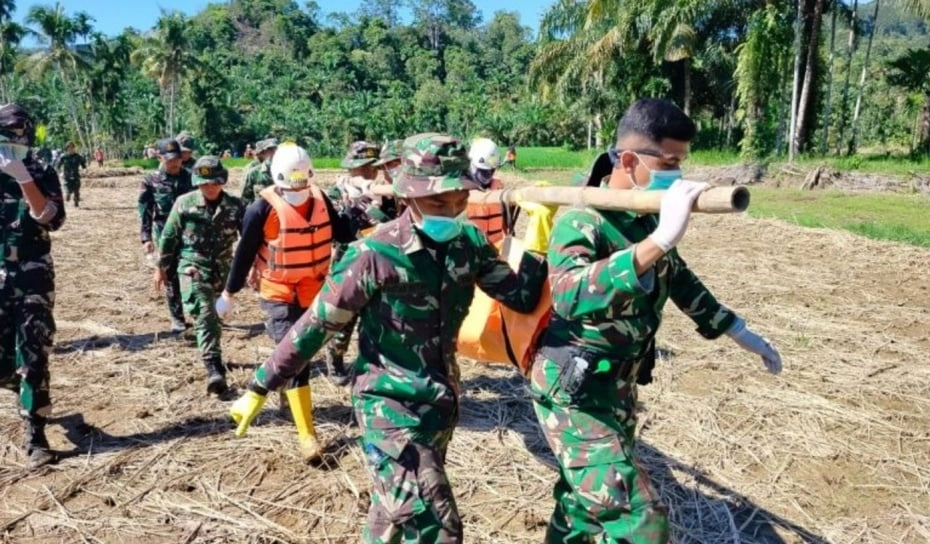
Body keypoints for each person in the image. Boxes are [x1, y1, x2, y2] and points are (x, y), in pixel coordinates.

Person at [229, 133, 552, 542]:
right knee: (436, 526)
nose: (452, 210)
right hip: (388, 406)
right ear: (409, 198)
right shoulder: (375, 254)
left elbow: (520, 296)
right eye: (439, 202)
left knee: (394, 513)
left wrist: (540, 240)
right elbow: (317, 325)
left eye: (459, 199)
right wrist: (261, 384)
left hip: (440, 403)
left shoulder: (468, 243)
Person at [529, 98, 783, 543]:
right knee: (638, 518)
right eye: (669, 162)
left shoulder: (643, 219)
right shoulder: (582, 220)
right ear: (628, 160)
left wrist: (739, 332)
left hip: (619, 386)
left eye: (682, 163)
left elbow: (681, 282)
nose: (677, 174)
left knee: (580, 503)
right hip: (574, 390)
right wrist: (662, 240)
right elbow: (569, 295)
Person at [217, 142, 356, 463]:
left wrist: (358, 212)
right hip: (277, 292)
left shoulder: (321, 199)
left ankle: (282, 397)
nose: (298, 192)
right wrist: (229, 293)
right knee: (297, 353)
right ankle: (307, 435)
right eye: (291, 187)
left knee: (298, 356)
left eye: (302, 185)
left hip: (313, 291)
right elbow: (244, 254)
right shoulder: (259, 209)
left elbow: (343, 233)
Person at [0, 103, 66, 469]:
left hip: (32, 272)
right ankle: (16, 381)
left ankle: (35, 431)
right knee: (6, 361)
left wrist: (23, 177)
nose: (12, 140)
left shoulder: (41, 171)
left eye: (16, 133)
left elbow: (50, 218)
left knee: (33, 348)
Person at [154, 156, 244, 396]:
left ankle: (209, 347)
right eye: (204, 183)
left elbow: (249, 239)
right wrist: (160, 267)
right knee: (205, 314)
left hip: (224, 271)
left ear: (222, 181)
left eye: (214, 182)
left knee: (216, 317)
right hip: (193, 268)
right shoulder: (184, 204)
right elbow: (169, 237)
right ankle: (214, 369)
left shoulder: (236, 206)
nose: (209, 187)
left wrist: (256, 266)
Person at [322, 140, 382, 385]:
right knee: (344, 317)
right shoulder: (336, 194)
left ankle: (371, 363)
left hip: (379, 263)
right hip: (347, 260)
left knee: (377, 318)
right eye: (362, 167)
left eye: (372, 167)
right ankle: (335, 360)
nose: (368, 172)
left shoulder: (384, 192)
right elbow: (337, 231)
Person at [138, 138, 193, 333]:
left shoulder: (191, 177)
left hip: (190, 233)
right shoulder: (150, 180)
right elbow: (145, 210)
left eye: (177, 158)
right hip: (164, 233)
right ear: (160, 157)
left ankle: (198, 312)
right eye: (169, 159)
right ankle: (177, 318)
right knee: (169, 276)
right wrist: (146, 238)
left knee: (193, 272)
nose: (174, 163)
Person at [465, 137, 515, 244]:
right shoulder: (459, 189)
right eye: (483, 172)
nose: (486, 176)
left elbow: (505, 225)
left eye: (490, 171)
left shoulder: (498, 188)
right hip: (469, 248)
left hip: (495, 247)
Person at [240, 138, 278, 207]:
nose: (273, 152)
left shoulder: (283, 170)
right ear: (263, 152)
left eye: (275, 149)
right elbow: (245, 197)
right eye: (270, 149)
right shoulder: (253, 171)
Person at [56, 141, 86, 208]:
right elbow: (58, 166)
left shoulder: (78, 157)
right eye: (69, 148)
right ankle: (68, 195)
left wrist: (84, 170)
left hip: (76, 176)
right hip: (66, 176)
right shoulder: (63, 157)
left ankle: (76, 202)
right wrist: (60, 172)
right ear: (67, 149)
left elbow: (83, 165)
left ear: (74, 148)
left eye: (72, 147)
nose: (71, 149)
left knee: (76, 191)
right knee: (67, 189)